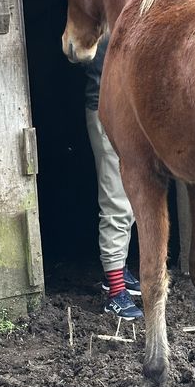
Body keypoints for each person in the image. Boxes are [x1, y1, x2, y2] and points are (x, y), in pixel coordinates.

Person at [84, 34, 144, 320]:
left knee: (130, 198)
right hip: (108, 112)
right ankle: (115, 294)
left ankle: (117, 274)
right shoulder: (100, 18)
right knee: (117, 202)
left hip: (129, 112)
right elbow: (76, 51)